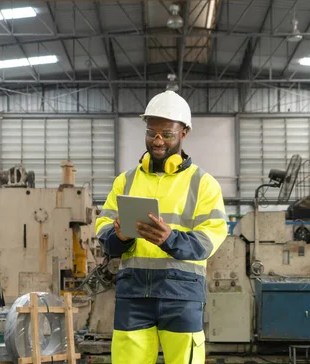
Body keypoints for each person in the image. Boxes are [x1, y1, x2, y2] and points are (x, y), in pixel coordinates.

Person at [95, 90, 228, 364]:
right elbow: (103, 230)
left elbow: (211, 238)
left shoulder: (203, 184)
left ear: (184, 133)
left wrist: (171, 239)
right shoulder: (125, 181)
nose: (157, 141)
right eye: (151, 133)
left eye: (166, 134)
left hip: (181, 294)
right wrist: (118, 237)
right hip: (134, 295)